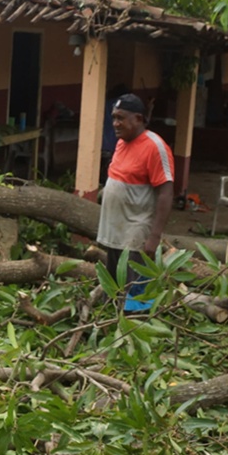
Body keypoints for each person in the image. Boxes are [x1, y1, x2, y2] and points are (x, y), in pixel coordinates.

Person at [97, 93, 174, 311]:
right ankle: (111, 321)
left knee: (136, 291)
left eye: (120, 118)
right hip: (115, 231)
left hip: (136, 233)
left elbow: (166, 193)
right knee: (113, 287)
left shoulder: (155, 147)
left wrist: (154, 236)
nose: (115, 123)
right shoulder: (122, 143)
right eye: (113, 117)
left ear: (138, 119)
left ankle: (136, 324)